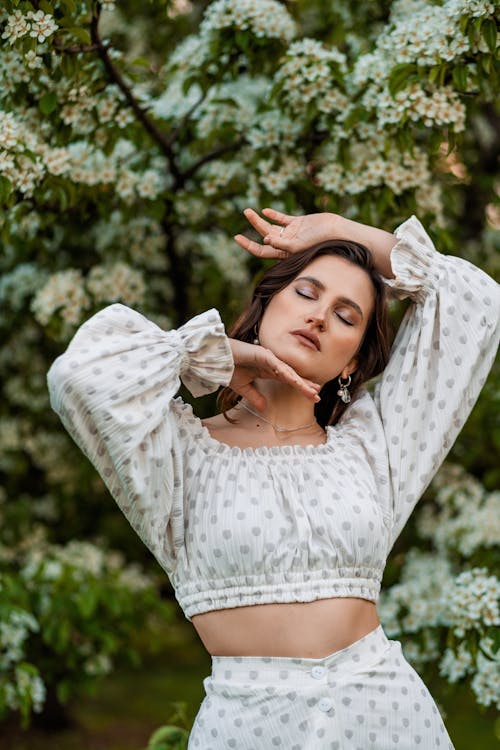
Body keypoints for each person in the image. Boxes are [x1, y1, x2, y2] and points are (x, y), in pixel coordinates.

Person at [46, 207, 499, 749]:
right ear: (266, 306)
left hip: (387, 718)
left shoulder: (375, 445)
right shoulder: (178, 450)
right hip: (250, 726)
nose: (320, 317)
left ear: (353, 363)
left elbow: (476, 301)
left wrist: (341, 229)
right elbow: (78, 377)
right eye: (306, 293)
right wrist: (208, 357)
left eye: (347, 315)